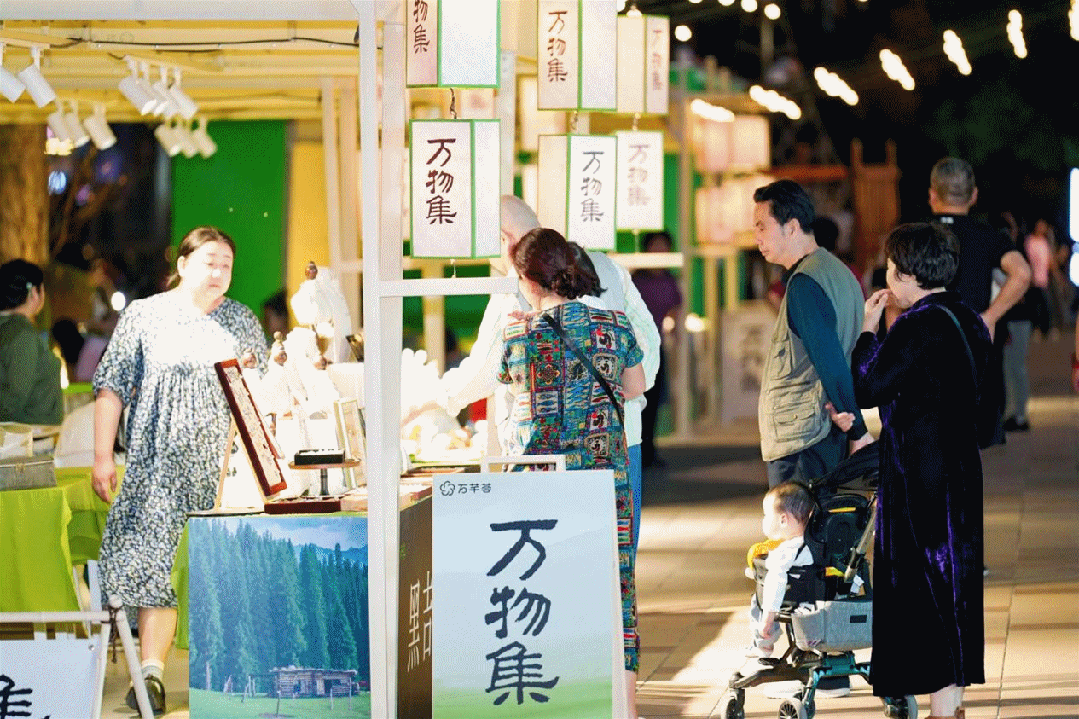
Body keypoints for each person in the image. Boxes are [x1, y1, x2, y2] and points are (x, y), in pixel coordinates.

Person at [91, 226, 267, 715]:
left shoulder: (241, 320)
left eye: (226, 265)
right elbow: (111, 387)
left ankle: (229, 678)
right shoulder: (145, 315)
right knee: (154, 569)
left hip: (224, 473)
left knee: (223, 572)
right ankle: (150, 675)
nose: (218, 272)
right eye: (209, 261)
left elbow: (263, 394)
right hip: (156, 468)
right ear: (184, 264)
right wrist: (103, 455)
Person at [439, 195, 660, 553]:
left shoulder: (516, 313)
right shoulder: (609, 278)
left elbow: (486, 374)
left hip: (544, 465)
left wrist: (439, 399)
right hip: (615, 446)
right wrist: (603, 393)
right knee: (610, 557)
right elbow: (648, 342)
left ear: (504, 239)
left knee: (550, 562)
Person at [497, 227, 645, 717]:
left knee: (546, 591)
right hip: (604, 482)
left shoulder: (519, 333)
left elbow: (508, 383)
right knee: (616, 591)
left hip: (544, 490)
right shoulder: (614, 323)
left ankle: (561, 703)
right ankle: (626, 707)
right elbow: (635, 386)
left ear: (529, 280)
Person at [849, 223, 988, 719]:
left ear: (908, 274)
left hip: (919, 474)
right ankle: (951, 704)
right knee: (956, 580)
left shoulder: (916, 325)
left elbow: (869, 386)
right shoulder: (969, 319)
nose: (887, 275)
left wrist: (867, 331)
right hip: (961, 468)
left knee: (924, 581)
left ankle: (941, 706)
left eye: (891, 267)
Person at [754, 180, 872, 488]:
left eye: (762, 227)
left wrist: (858, 430)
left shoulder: (805, 283)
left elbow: (830, 361)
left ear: (792, 227)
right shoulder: (839, 272)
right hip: (824, 429)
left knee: (798, 517)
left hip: (803, 437)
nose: (757, 238)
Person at [928, 157, 1030, 447]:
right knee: (970, 449)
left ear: (932, 195)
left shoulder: (916, 235)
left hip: (927, 356)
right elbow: (1022, 273)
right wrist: (989, 317)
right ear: (973, 196)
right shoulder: (989, 236)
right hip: (975, 355)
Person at [743, 483, 814, 663]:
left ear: (783, 520)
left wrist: (768, 618)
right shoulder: (816, 545)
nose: (764, 520)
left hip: (797, 600)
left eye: (766, 515)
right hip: (820, 596)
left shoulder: (783, 553)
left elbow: (776, 582)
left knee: (759, 595)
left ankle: (763, 643)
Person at [631, 231, 682, 469]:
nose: (660, 251)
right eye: (656, 246)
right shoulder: (635, 280)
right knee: (636, 402)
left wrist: (675, 333)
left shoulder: (669, 280)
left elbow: (675, 308)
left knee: (653, 401)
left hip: (656, 347)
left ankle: (649, 450)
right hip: (633, 349)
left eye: (664, 246)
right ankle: (637, 452)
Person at [0, 259, 63, 425]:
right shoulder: (23, 335)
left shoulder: (8, 329)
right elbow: (13, 399)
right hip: (29, 436)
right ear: (34, 292)